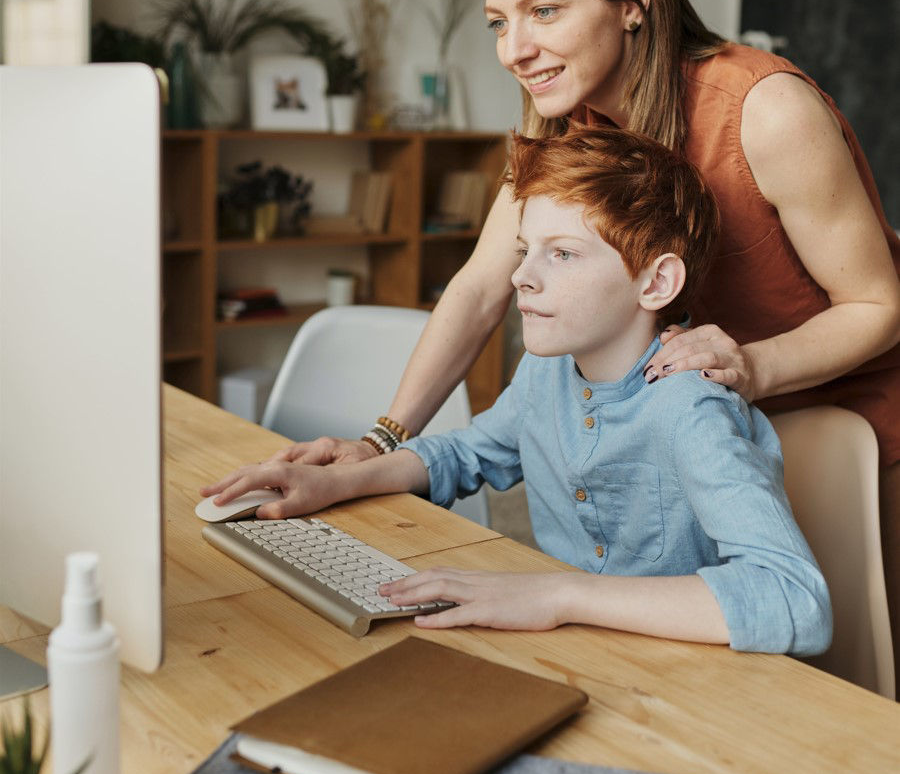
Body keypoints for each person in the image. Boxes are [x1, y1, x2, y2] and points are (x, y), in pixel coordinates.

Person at [202, 126, 832, 654]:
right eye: (525, 249)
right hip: (576, 648)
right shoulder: (547, 370)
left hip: (686, 676)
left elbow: (793, 598)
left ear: (656, 281)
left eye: (562, 255)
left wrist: (558, 593)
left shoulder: (688, 406)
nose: (520, 277)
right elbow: (470, 453)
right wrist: (340, 480)